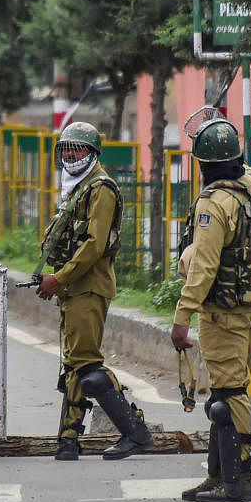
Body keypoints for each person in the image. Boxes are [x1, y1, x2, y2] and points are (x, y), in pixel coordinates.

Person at [171, 117, 251, 502]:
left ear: (202, 167)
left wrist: (182, 318)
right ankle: (218, 475)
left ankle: (239, 479)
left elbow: (203, 266)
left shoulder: (214, 204)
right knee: (228, 390)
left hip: (224, 311)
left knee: (229, 392)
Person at [35, 121, 153, 462]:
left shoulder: (101, 188)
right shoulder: (77, 187)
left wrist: (61, 277)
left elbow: (94, 245)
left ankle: (135, 432)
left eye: (79, 149)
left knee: (87, 366)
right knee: (74, 366)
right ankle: (69, 441)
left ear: (93, 152)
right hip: (74, 287)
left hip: (87, 286)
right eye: (66, 149)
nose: (71, 154)